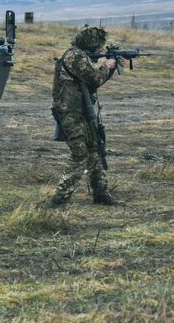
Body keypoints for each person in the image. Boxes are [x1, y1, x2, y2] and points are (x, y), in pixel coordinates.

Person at [50, 26, 124, 206]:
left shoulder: (79, 55)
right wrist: (108, 65)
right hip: (71, 113)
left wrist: (110, 67)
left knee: (94, 150)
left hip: (80, 111)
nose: (100, 49)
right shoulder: (75, 57)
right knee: (80, 154)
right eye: (99, 46)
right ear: (91, 44)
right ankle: (59, 199)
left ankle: (101, 194)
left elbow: (92, 82)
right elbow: (95, 78)